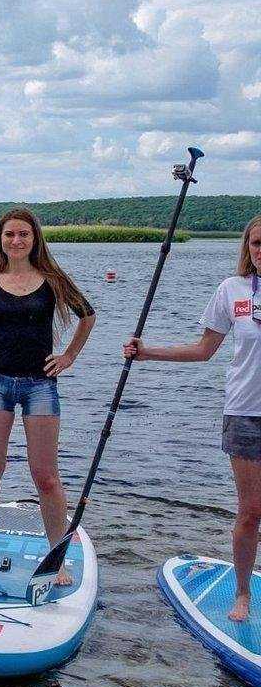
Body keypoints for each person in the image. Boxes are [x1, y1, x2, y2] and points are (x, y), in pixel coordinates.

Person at [0, 210, 95, 584]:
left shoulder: (53, 279)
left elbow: (87, 316)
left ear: (34, 238)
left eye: (23, 234)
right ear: (1, 240)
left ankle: (56, 555)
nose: (16, 241)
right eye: (9, 235)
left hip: (40, 384)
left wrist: (69, 356)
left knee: (45, 475)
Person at [125, 215, 261, 622]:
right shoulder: (232, 290)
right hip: (245, 414)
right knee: (251, 511)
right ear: (247, 247)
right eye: (257, 243)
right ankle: (242, 593)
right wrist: (147, 352)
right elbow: (204, 350)